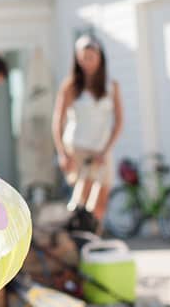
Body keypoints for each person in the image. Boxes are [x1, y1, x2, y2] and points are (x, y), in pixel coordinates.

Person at [52, 34, 123, 227]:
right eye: (83, 58)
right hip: (78, 146)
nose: (87, 62)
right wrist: (62, 153)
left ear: (100, 58)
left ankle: (93, 237)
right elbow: (58, 120)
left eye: (91, 57)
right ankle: (75, 237)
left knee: (102, 197)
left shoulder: (111, 86)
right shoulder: (70, 86)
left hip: (102, 147)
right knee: (83, 196)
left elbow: (118, 121)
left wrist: (106, 150)